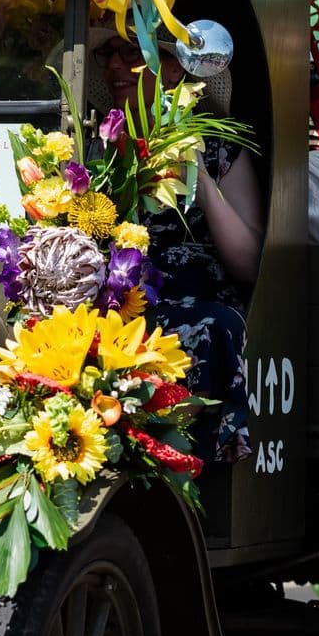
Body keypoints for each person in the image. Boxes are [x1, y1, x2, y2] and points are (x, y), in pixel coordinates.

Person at [96, 31, 262, 464]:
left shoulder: (221, 148)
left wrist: (198, 174)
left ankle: (190, 464)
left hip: (199, 302)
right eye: (106, 53)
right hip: (117, 302)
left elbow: (247, 263)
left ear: (174, 69)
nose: (114, 65)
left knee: (213, 325)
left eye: (130, 52)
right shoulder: (97, 146)